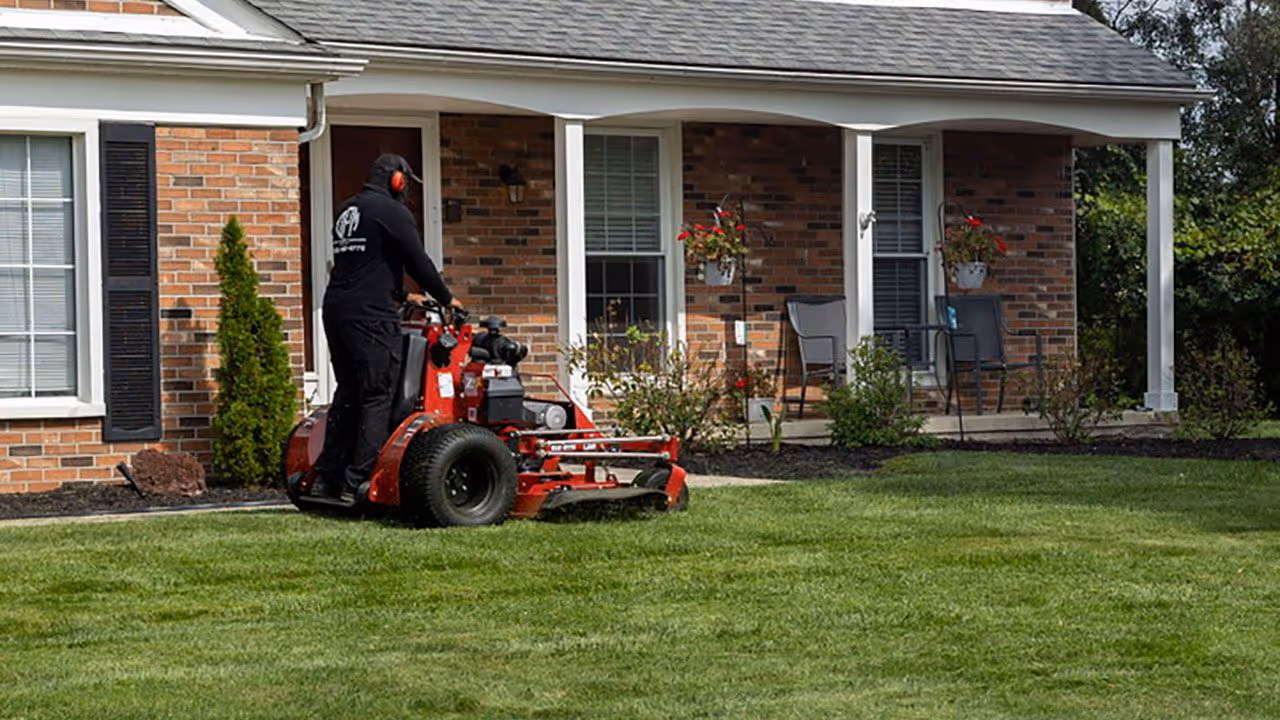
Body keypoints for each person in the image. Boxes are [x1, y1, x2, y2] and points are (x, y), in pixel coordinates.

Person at [314, 154, 463, 497]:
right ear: (397, 180)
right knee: (377, 394)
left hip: (338, 310)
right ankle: (360, 483)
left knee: (349, 391)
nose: (406, 189)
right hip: (371, 317)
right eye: (406, 182)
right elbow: (418, 261)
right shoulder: (392, 211)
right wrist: (445, 297)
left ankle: (327, 478)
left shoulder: (348, 210)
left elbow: (366, 266)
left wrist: (403, 297)